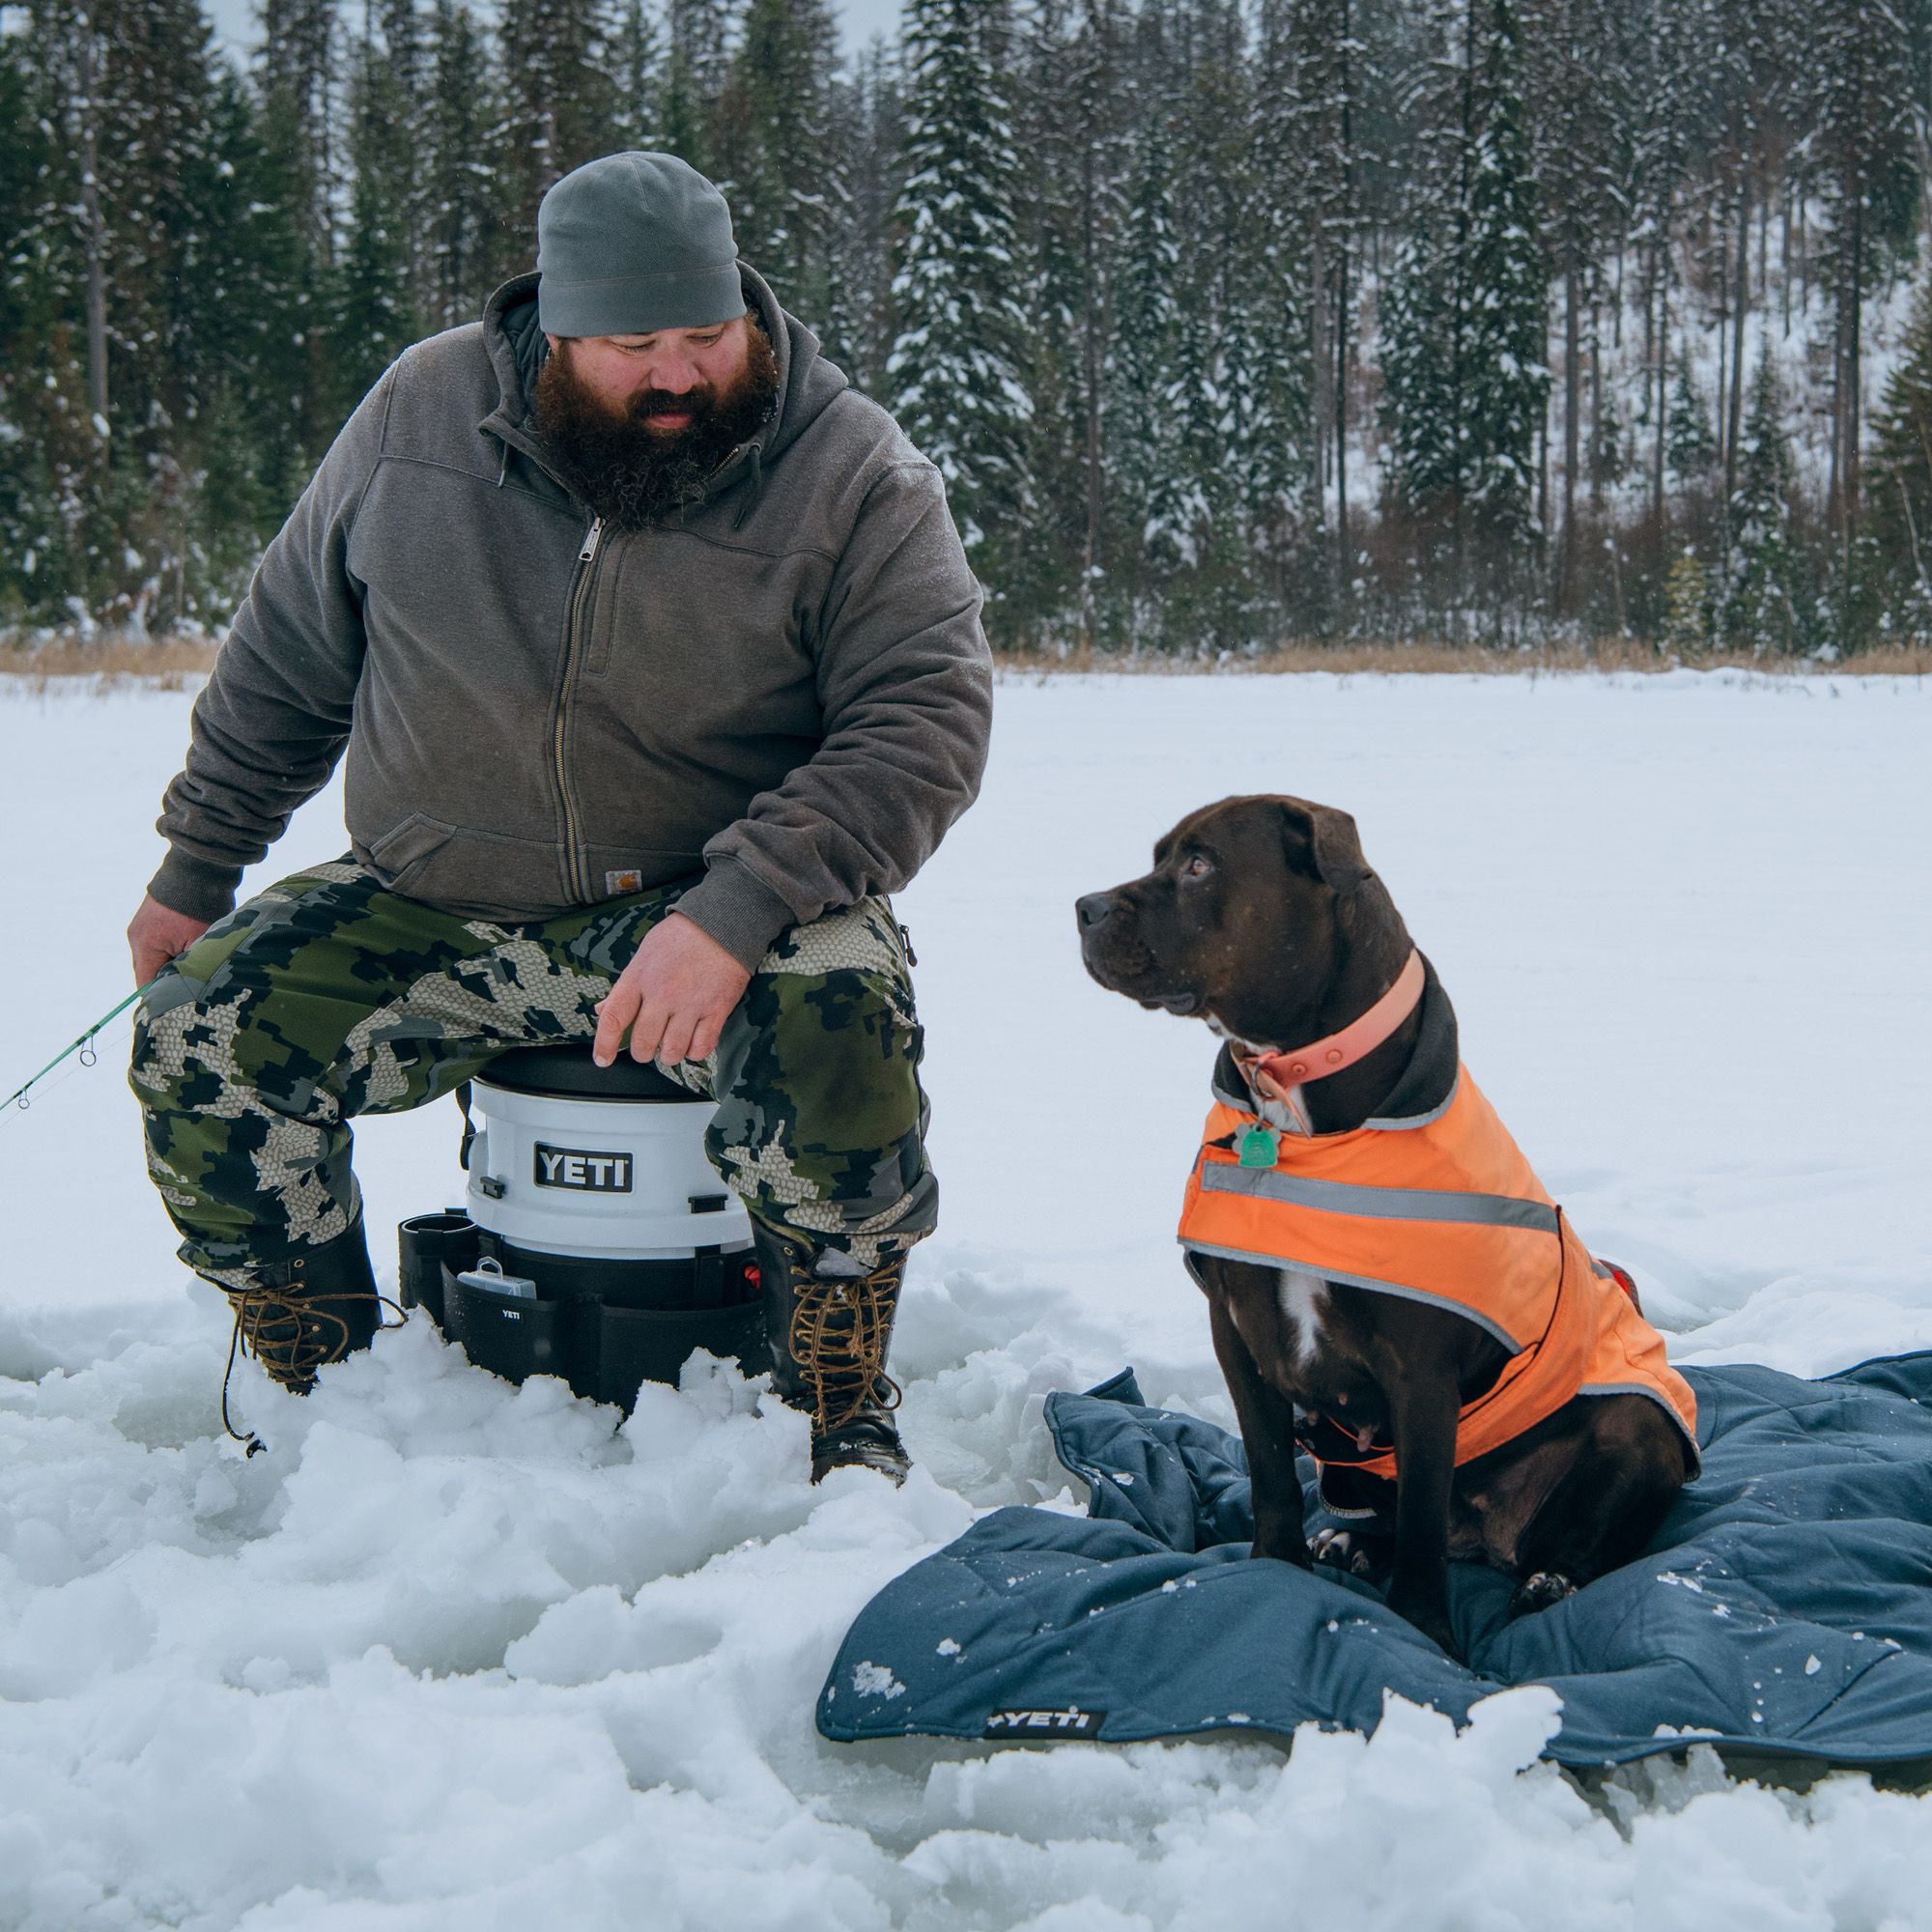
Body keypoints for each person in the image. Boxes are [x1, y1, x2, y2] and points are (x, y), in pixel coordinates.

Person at [126, 152, 993, 1482]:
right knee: (201, 1031)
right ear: (554, 335)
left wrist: (738, 906)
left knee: (840, 1023)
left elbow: (924, 717)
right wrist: (197, 865)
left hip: (710, 903)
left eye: (707, 335)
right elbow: (289, 655)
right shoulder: (422, 414)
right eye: (633, 345)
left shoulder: (848, 465)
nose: (678, 375)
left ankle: (836, 1395)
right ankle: (326, 1380)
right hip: (433, 900)